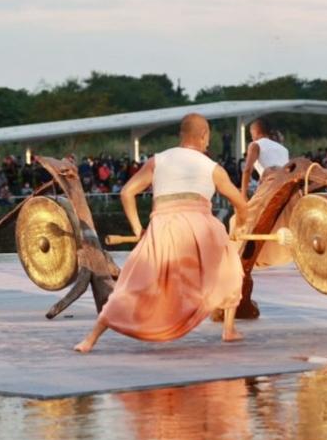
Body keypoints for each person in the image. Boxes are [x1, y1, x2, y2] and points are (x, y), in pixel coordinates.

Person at [74, 114, 247, 353]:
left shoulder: (159, 160)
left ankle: (90, 339)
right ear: (204, 135)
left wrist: (138, 228)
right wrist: (240, 227)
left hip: (163, 226)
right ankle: (228, 329)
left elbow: (127, 192)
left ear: (180, 136)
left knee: (132, 284)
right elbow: (241, 203)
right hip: (203, 229)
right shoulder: (213, 168)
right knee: (230, 269)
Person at [236, 118, 292, 268]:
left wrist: (243, 194)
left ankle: (244, 254)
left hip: (270, 183)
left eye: (250, 132)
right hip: (287, 185)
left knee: (242, 218)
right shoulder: (283, 148)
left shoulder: (255, 145)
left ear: (255, 131)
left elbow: (247, 169)